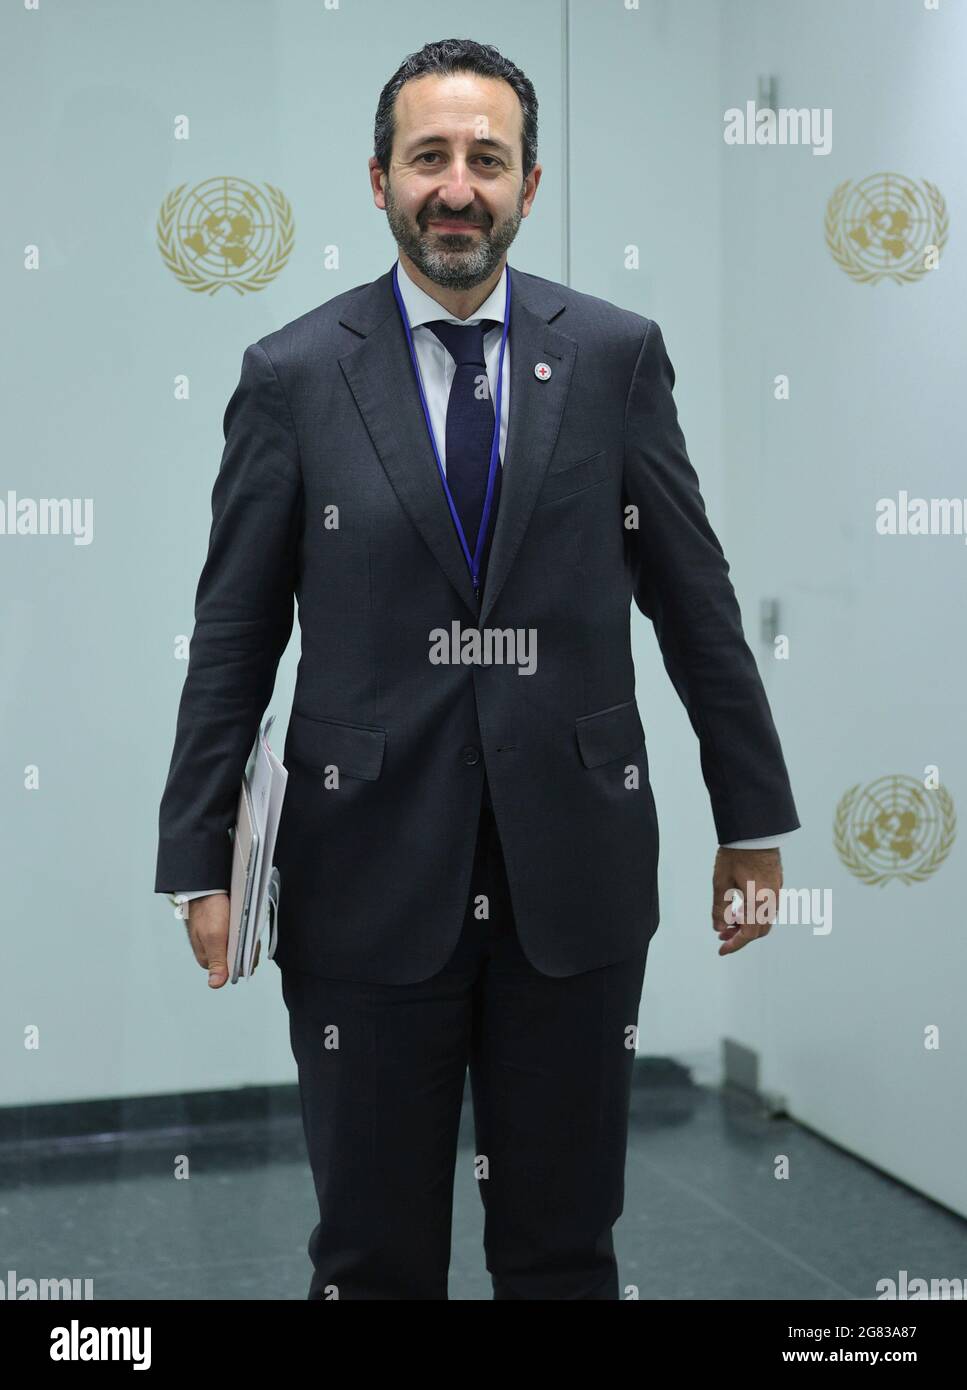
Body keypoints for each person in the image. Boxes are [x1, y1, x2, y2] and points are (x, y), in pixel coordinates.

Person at [155, 37, 800, 1300]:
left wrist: (754, 821)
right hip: (362, 884)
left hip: (577, 875)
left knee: (562, 1251)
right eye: (429, 158)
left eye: (485, 160)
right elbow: (232, 634)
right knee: (372, 1255)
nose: (457, 186)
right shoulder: (292, 376)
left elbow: (694, 599)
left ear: (530, 184)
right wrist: (198, 857)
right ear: (380, 178)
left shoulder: (615, 358)